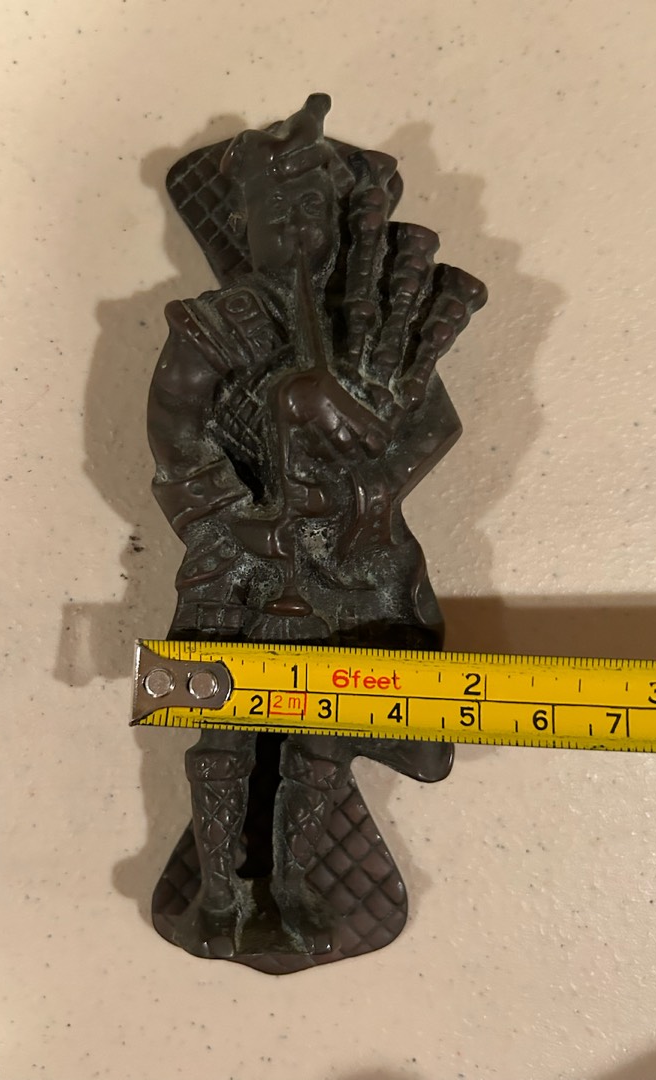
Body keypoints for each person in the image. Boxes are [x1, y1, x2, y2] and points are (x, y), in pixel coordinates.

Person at [147, 94, 486, 960]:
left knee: (322, 730)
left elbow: (429, 430)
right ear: (246, 225)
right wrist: (235, 521)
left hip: (340, 566)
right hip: (237, 559)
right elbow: (176, 430)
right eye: (277, 212)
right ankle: (217, 890)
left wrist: (368, 495)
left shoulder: (364, 339)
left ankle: (296, 886)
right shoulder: (216, 324)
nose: (295, 229)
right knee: (222, 731)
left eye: (313, 212)